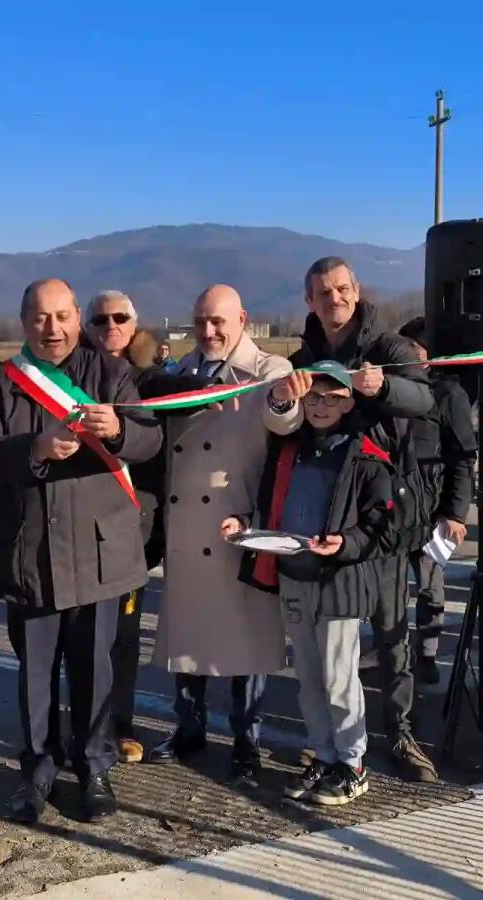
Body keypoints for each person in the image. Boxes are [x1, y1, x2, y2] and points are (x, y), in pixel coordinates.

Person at [0, 278, 162, 824]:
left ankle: (94, 768)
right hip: (28, 552)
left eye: (61, 316)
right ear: (24, 322)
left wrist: (120, 429)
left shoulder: (111, 373)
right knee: (35, 671)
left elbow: (151, 440)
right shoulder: (0, 382)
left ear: (77, 316)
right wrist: (35, 448)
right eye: (39, 318)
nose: (52, 328)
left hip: (100, 553)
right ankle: (37, 772)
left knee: (94, 667)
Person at [289, 257, 437, 784]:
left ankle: (399, 732)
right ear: (309, 300)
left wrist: (382, 388)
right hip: (330, 510)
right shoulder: (305, 353)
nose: (335, 299)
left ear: (357, 290)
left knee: (391, 629)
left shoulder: (389, 347)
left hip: (384, 509)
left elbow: (423, 399)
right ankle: (331, 745)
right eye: (323, 292)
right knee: (328, 638)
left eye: (342, 289)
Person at [148, 284, 304, 782]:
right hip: (186, 528)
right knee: (188, 635)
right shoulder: (178, 374)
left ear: (242, 318)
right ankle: (188, 728)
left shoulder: (268, 373)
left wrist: (282, 403)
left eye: (218, 321)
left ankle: (246, 739)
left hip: (237, 526)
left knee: (246, 642)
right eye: (201, 322)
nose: (209, 331)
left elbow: (286, 422)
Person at [229, 363, 395, 806]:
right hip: (294, 574)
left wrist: (347, 543)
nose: (322, 406)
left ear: (350, 402)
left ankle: (353, 762)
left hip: (339, 581)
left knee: (339, 678)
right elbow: (269, 501)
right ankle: (324, 754)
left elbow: (383, 521)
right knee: (307, 677)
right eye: (314, 397)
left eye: (333, 398)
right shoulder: (289, 448)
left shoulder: (365, 455)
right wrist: (246, 525)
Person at [83, 290, 211, 765]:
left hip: (134, 527)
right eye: (99, 318)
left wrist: (207, 388)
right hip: (78, 524)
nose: (110, 325)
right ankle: (79, 723)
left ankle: (121, 723)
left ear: (134, 326)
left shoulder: (148, 378)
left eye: (120, 318)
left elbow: (182, 391)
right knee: (78, 635)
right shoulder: (71, 375)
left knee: (123, 632)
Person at [396, 318, 476, 685]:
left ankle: (427, 654)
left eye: (414, 347)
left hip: (431, 508)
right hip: (391, 506)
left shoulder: (449, 394)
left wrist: (455, 513)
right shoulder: (392, 388)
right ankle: (393, 652)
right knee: (390, 587)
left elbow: (462, 458)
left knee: (429, 583)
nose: (407, 353)